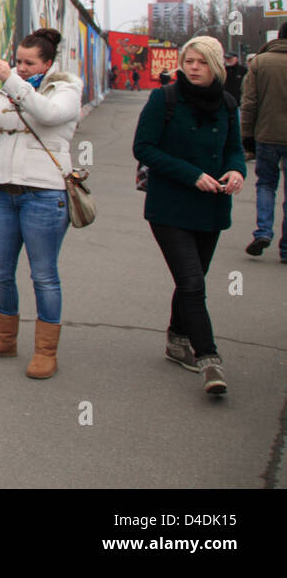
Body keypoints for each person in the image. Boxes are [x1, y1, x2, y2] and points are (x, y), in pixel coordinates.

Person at [132, 36, 245, 396]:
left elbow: (234, 149)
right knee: (194, 283)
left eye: (201, 62)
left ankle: (177, 338)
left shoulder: (227, 104)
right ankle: (209, 359)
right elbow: (143, 147)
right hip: (170, 207)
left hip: (211, 208)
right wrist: (191, 174)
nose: (193, 67)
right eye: (188, 60)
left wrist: (237, 172)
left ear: (216, 66)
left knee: (191, 280)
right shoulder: (164, 99)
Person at [0, 27, 83, 379]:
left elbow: (47, 115)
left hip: (45, 195)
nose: (20, 67)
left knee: (44, 275)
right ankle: (5, 338)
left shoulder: (65, 88)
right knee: (0, 271)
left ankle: (46, 351)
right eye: (17, 61)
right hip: (3, 192)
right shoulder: (9, 89)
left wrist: (12, 83)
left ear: (48, 63)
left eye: (29, 62)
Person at [242, 24, 287, 261]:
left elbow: (249, 102)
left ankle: (263, 232)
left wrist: (247, 137)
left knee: (266, 185)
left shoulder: (260, 62)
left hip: (266, 135)